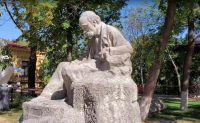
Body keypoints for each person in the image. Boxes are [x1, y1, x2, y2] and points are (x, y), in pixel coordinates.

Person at [36, 11, 133, 104]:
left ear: (94, 22)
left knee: (69, 69)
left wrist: (110, 50)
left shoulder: (110, 31)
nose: (84, 30)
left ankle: (71, 98)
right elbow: (87, 56)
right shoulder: (93, 38)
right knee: (62, 65)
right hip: (91, 63)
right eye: (82, 28)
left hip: (101, 66)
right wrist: (75, 62)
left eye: (85, 27)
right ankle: (45, 96)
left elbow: (128, 48)